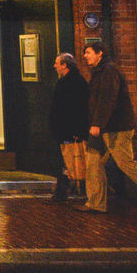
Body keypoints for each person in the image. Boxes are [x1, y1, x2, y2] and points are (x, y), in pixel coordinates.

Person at [78, 42, 137, 216]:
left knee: (126, 163)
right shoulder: (100, 71)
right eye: (85, 53)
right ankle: (95, 203)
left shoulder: (109, 72)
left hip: (116, 128)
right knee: (93, 162)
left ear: (100, 53)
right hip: (105, 128)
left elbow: (107, 99)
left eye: (88, 52)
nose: (85, 56)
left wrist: (97, 123)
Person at [48, 52, 89, 202]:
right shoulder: (73, 81)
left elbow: (74, 109)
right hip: (66, 130)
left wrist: (75, 130)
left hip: (68, 130)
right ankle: (62, 191)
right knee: (65, 161)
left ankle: (69, 190)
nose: (54, 66)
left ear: (65, 65)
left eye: (57, 63)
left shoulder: (70, 83)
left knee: (70, 160)